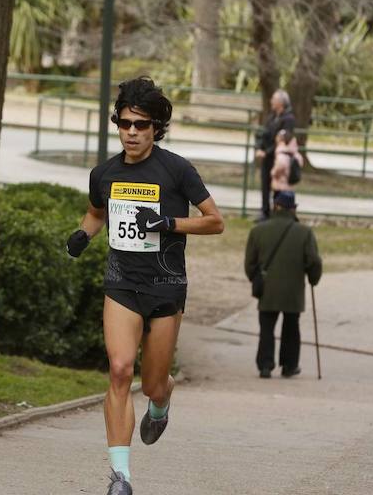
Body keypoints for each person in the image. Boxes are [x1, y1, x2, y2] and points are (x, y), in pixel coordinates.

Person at [66, 77, 224, 495]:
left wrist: (168, 223)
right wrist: (83, 235)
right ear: (117, 124)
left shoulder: (177, 170)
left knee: (152, 382)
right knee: (119, 371)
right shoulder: (105, 173)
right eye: (125, 123)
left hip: (165, 287)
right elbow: (97, 213)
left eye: (141, 125)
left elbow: (215, 221)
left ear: (156, 128)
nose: (132, 132)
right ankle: (121, 477)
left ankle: (162, 399)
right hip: (121, 284)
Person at [244, 191, 322, 379]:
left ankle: (265, 365)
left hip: (268, 288)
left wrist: (256, 279)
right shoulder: (304, 232)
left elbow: (250, 263)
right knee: (291, 328)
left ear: (275, 206)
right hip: (293, 290)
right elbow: (313, 261)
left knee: (266, 328)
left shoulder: (258, 230)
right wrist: (313, 278)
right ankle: (289, 365)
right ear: (292, 208)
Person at [254, 89, 296, 221]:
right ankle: (264, 212)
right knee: (265, 185)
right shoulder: (271, 116)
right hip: (266, 157)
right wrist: (259, 148)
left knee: (278, 186)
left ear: (280, 102)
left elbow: (283, 140)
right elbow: (263, 134)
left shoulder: (288, 119)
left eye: (274, 99)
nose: (271, 101)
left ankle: (277, 213)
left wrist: (267, 152)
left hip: (279, 159)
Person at [271, 129, 303, 195]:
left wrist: (273, 172)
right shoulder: (295, 154)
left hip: (279, 187)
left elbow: (279, 166)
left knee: (279, 203)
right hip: (291, 187)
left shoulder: (281, 154)